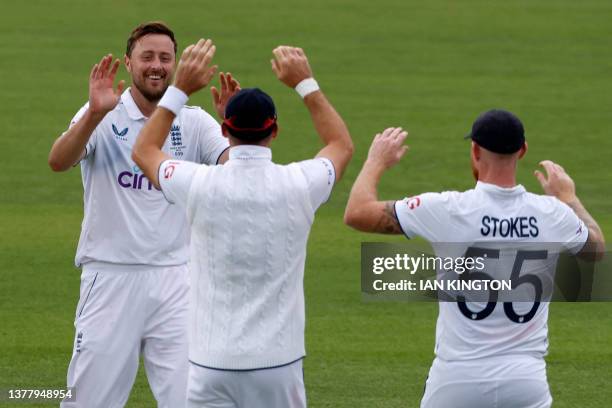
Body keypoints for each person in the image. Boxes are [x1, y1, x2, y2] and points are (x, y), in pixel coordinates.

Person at [132, 39, 353, 407]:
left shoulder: (198, 183)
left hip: (209, 366)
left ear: (223, 130)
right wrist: (305, 83)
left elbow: (143, 151)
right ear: (275, 131)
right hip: (277, 366)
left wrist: (181, 89)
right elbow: (341, 145)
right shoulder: (299, 184)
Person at [343, 111, 605, 408]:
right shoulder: (552, 214)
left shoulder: (446, 208)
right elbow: (596, 249)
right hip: (525, 381)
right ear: (523, 151)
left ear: (475, 150)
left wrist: (375, 162)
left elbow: (356, 213)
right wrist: (569, 197)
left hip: (457, 380)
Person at [48, 22, 240, 408]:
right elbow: (58, 160)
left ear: (176, 64)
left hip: (178, 281)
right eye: (147, 57)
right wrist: (92, 117)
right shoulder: (102, 112)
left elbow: (239, 175)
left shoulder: (195, 121)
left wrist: (236, 133)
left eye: (165, 58)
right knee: (89, 401)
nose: (157, 66)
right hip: (111, 276)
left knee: (192, 400)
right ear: (128, 63)